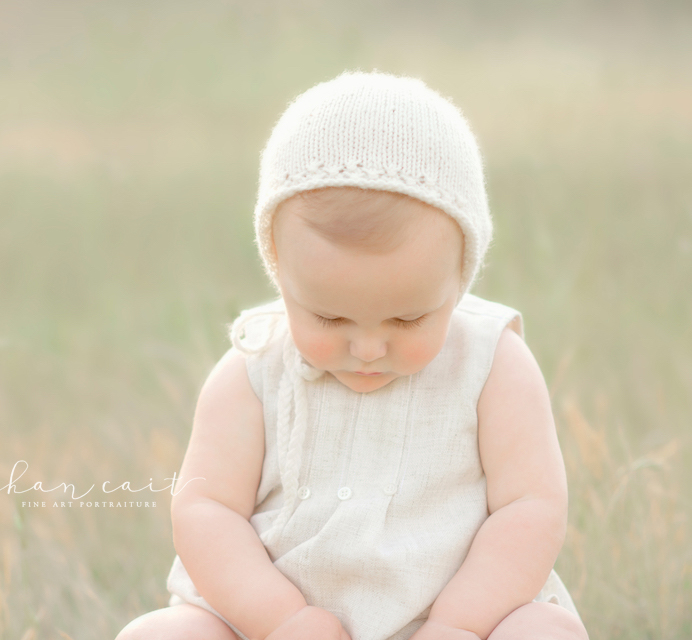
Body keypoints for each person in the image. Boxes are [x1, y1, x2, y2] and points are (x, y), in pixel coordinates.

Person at [116, 71, 589, 640]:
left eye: (408, 318)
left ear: (459, 277)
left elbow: (530, 507)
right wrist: (282, 619)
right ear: (280, 272)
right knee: (160, 635)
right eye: (329, 317)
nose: (367, 348)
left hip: (456, 618)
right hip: (270, 624)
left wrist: (459, 624)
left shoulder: (491, 366)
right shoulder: (254, 370)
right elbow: (205, 510)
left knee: (544, 632)